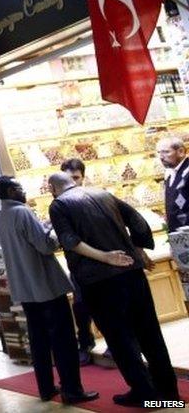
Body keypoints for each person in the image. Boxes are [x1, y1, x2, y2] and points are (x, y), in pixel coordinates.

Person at [48, 172, 180, 405]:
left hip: (99, 279)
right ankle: (168, 390)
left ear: (53, 189)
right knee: (149, 332)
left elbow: (69, 240)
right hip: (132, 271)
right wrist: (138, 249)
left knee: (120, 338)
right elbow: (138, 221)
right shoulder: (103, 193)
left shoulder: (59, 205)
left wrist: (105, 257)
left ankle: (143, 391)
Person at [0, 177, 99, 404]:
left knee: (39, 340)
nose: (24, 191)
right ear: (12, 190)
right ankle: (72, 390)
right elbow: (45, 246)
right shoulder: (22, 212)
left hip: (24, 289)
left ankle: (46, 387)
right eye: (20, 187)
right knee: (63, 340)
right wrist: (52, 232)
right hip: (45, 285)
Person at [59, 158, 102, 366]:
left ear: (83, 178)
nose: (73, 183)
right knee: (81, 307)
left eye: (76, 178)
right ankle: (85, 343)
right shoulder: (60, 204)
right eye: (69, 179)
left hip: (101, 263)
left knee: (107, 307)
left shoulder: (95, 197)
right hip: (77, 265)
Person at [158, 136, 189, 232]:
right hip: (179, 236)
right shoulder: (170, 174)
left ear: (181, 152)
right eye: (159, 153)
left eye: (166, 152)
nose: (161, 157)